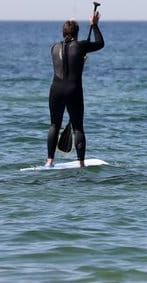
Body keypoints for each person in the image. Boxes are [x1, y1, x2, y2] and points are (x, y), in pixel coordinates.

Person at [45, 12, 104, 167]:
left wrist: (80, 57)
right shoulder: (80, 45)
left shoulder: (53, 48)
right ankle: (81, 163)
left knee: (54, 125)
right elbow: (100, 43)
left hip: (56, 90)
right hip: (73, 90)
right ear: (76, 33)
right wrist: (94, 25)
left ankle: (49, 161)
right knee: (78, 127)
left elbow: (67, 60)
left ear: (63, 32)